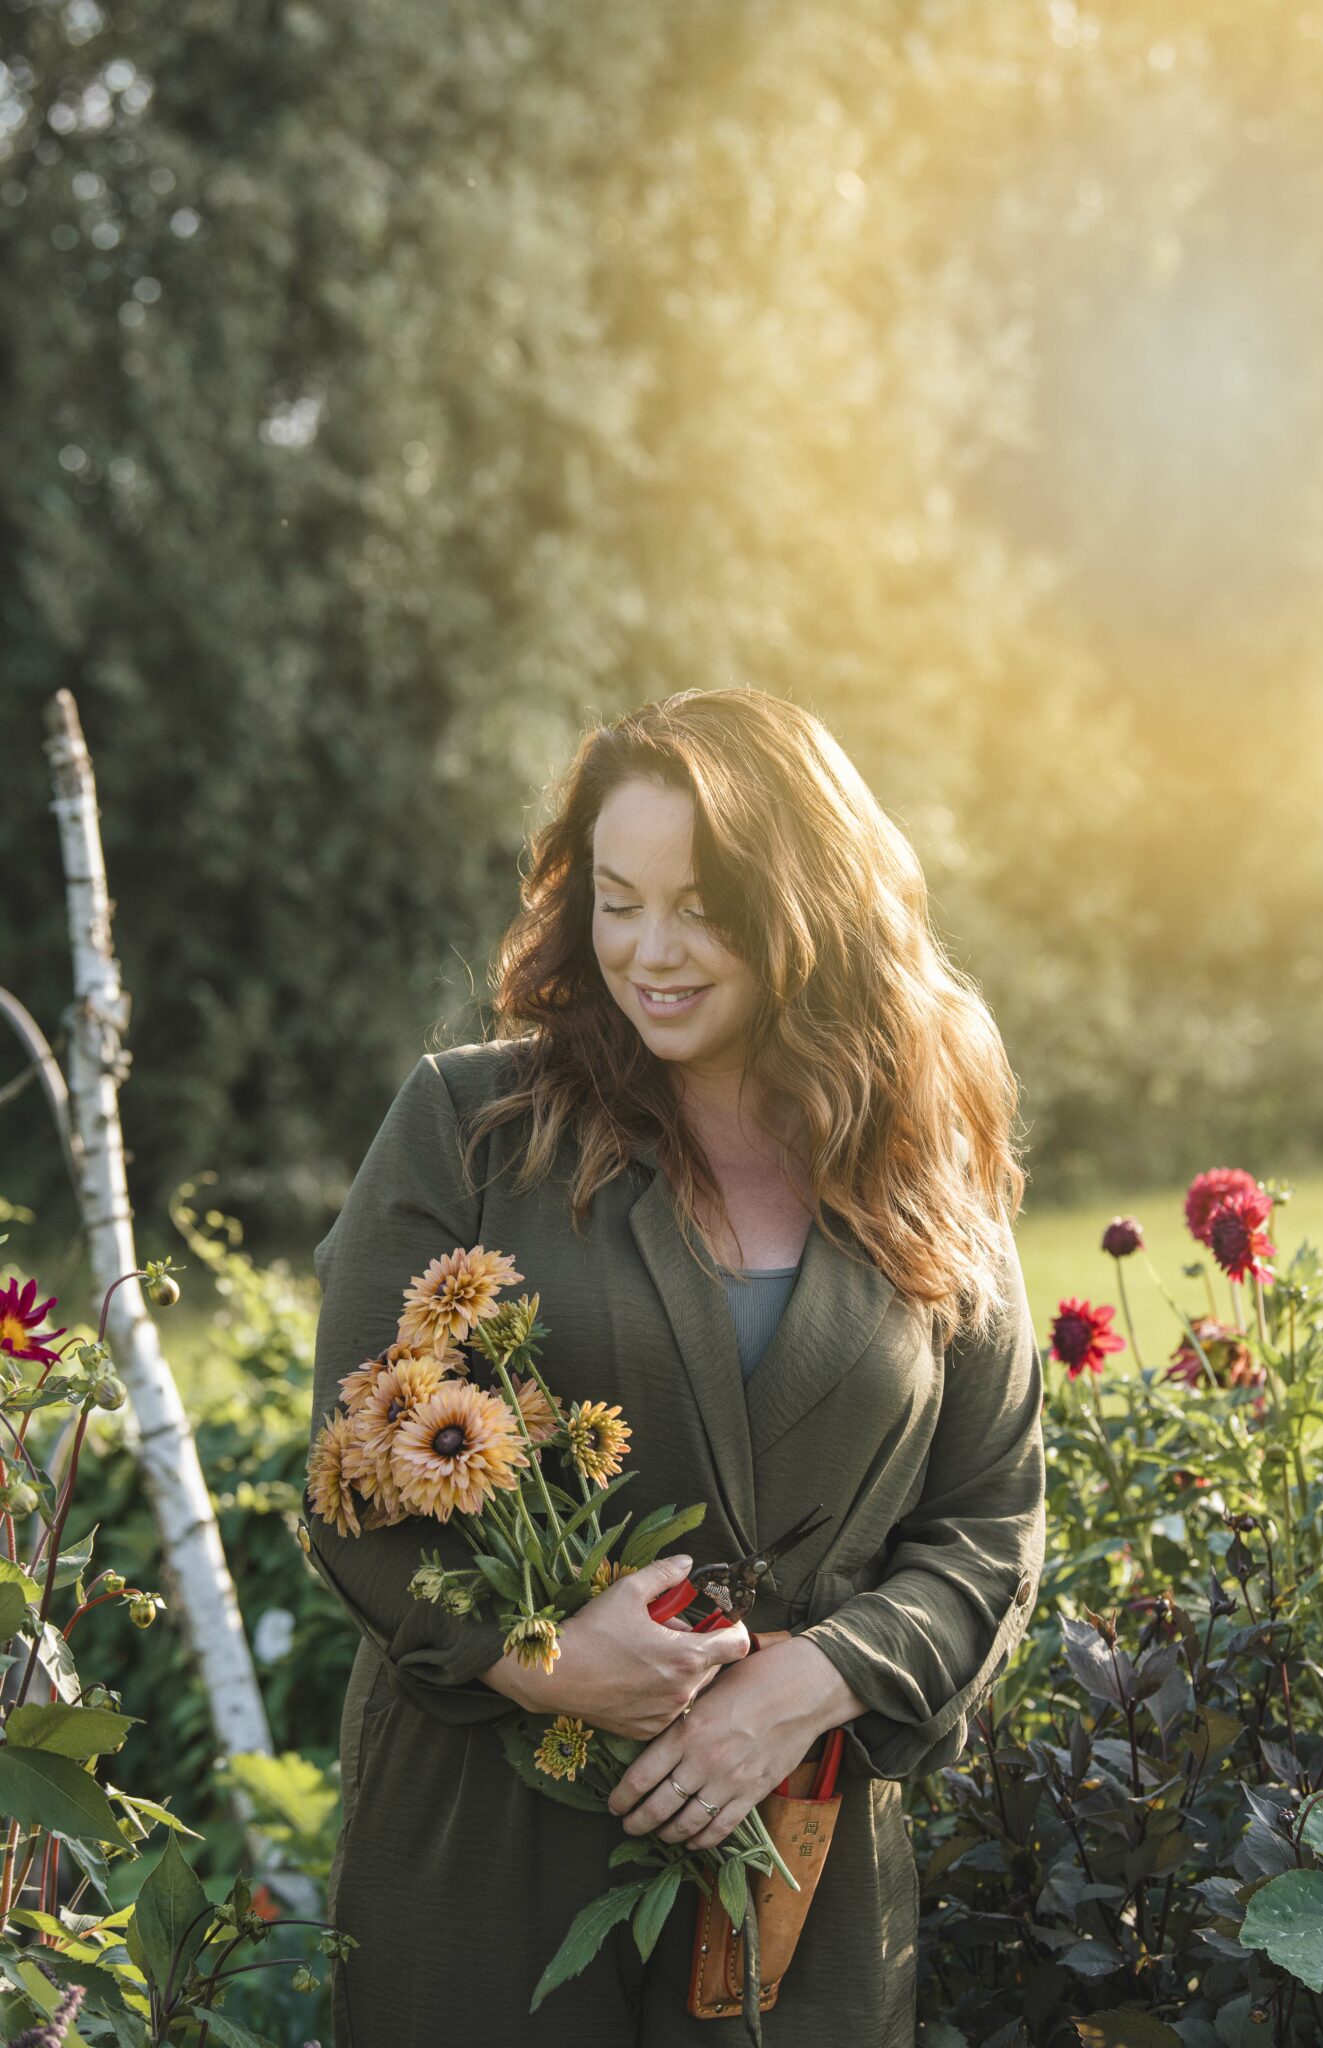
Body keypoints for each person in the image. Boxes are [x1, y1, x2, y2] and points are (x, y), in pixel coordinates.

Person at [303, 687, 1047, 2046]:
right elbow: (351, 1485)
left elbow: (989, 1521)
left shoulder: (924, 1159)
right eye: (617, 896)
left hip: (799, 1849)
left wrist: (816, 1680)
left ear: (810, 904)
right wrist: (543, 1662)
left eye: (702, 906)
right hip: (489, 1847)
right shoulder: (469, 1126)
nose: (650, 951)